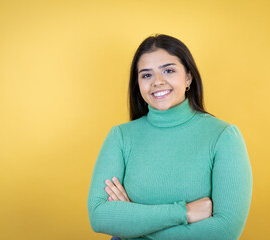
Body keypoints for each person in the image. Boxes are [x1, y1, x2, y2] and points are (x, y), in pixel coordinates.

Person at [87, 34, 253, 240]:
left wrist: (134, 224)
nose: (158, 81)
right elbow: (99, 216)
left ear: (188, 77)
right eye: (146, 75)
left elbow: (225, 231)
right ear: (138, 84)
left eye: (169, 70)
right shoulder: (120, 137)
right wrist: (184, 212)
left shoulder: (223, 137)